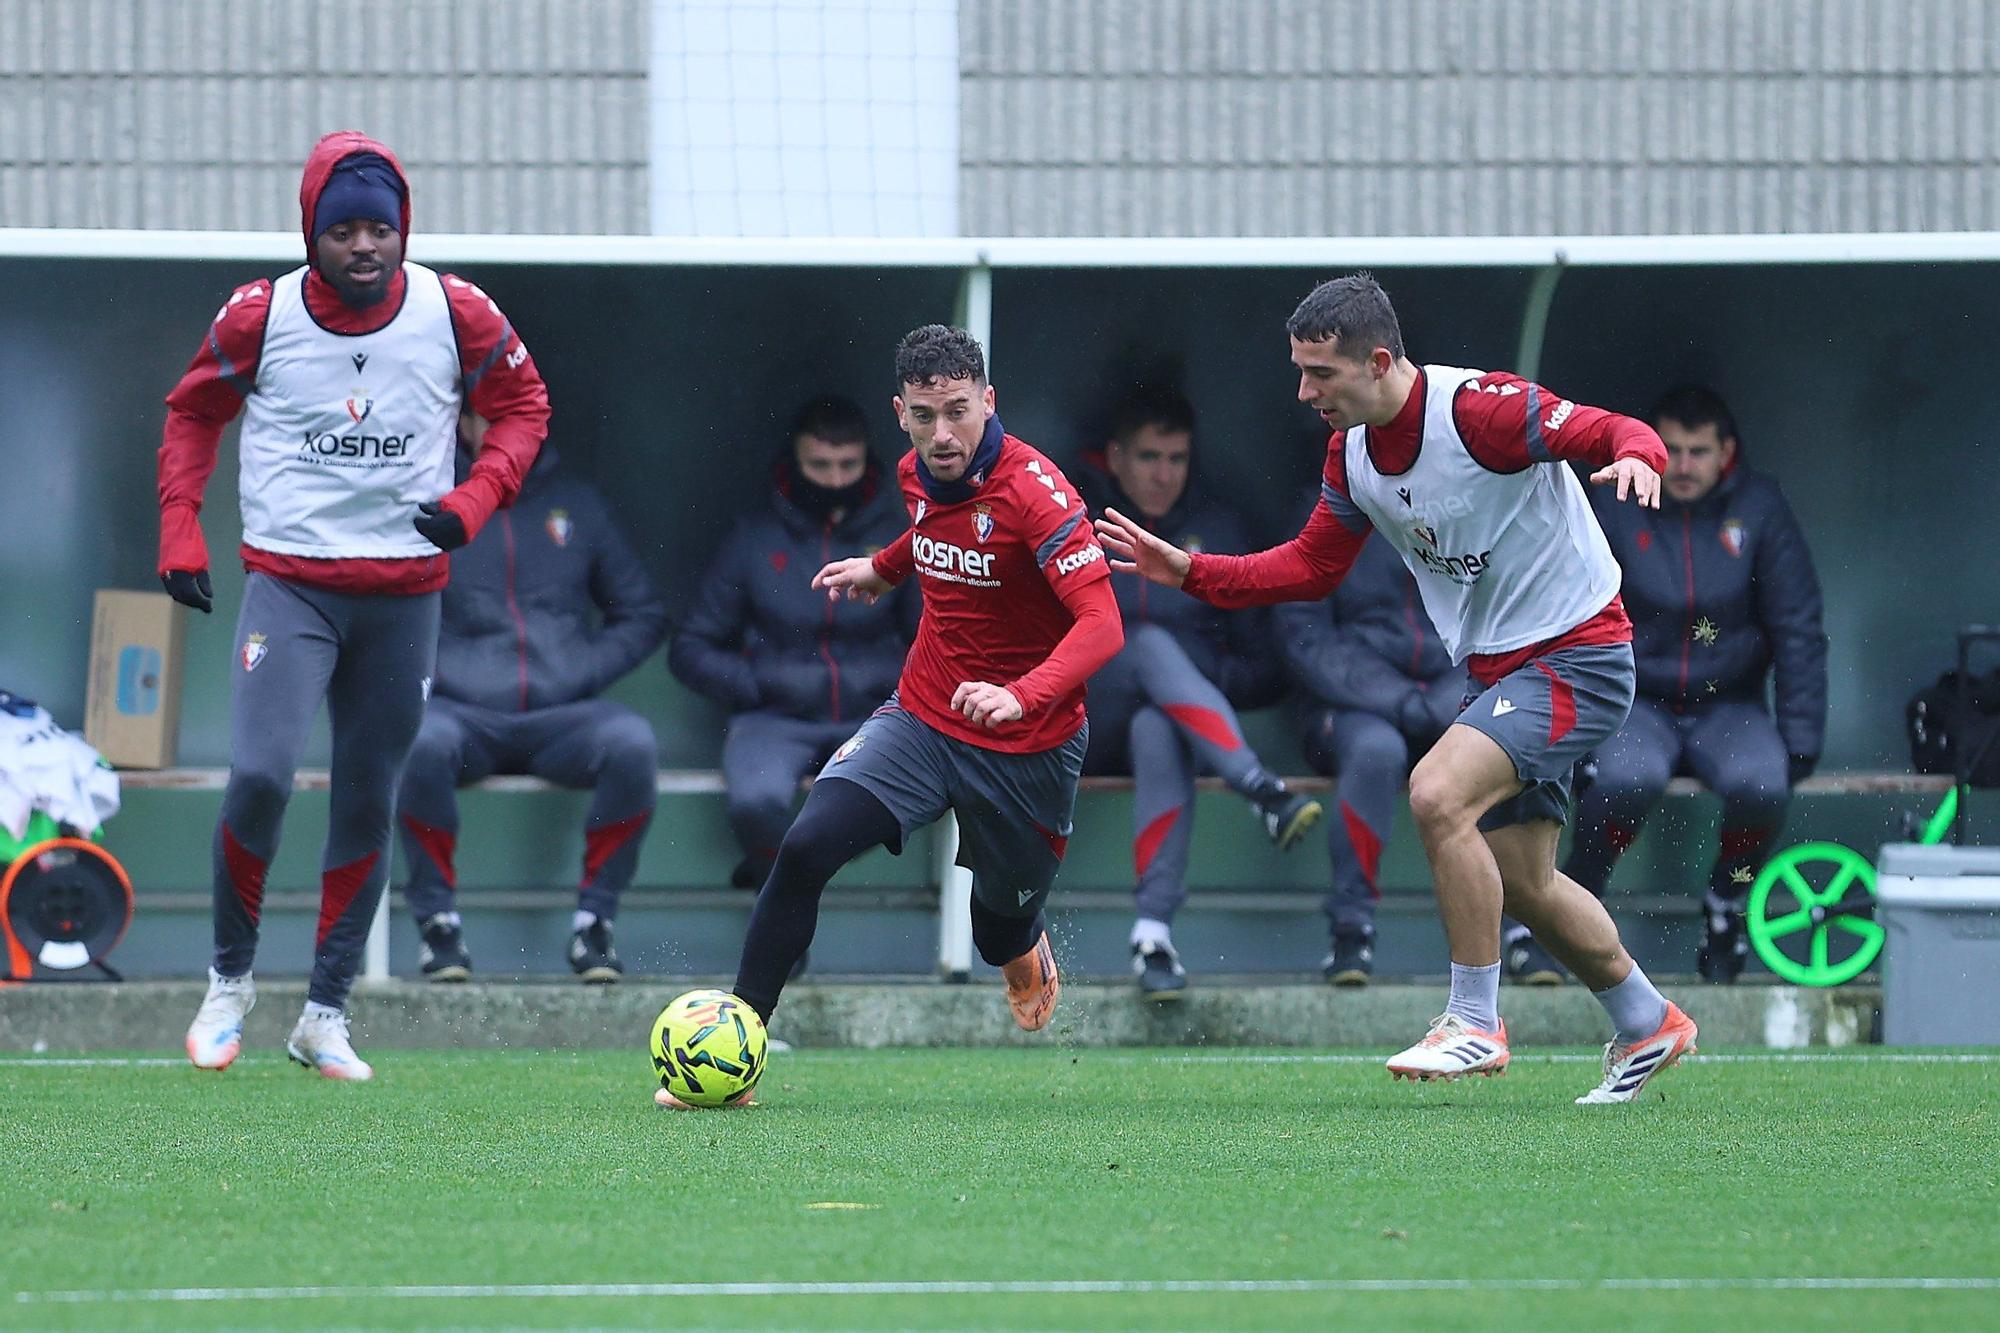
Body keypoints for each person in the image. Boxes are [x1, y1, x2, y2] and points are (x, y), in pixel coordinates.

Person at [1097, 273, 1697, 1105]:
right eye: (1300, 371)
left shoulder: (1480, 410)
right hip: (1501, 670)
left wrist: (1640, 456)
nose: (1305, 391)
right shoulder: (1349, 452)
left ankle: (1474, 1022)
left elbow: (1612, 430)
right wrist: (1190, 570)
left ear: (1379, 361)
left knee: (1436, 793)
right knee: (1525, 879)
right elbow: (1308, 567)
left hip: (1580, 656)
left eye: (1322, 374)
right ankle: (1646, 1018)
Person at [163, 132, 549, 1079]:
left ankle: (325, 1011)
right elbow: (192, 411)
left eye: (382, 228)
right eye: (345, 232)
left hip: (403, 595)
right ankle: (230, 981)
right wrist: (180, 522)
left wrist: (473, 499)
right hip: (292, 585)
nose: (366, 247)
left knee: (370, 797)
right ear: (311, 236)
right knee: (258, 775)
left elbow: (526, 406)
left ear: (404, 229)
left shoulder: (454, 309)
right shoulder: (263, 314)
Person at [659, 325, 1123, 1107]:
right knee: (804, 847)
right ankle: (736, 1057)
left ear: (989, 402)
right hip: (925, 717)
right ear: (900, 411)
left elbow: (1102, 624)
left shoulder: (1036, 493)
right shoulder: (916, 471)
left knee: (995, 933)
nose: (942, 434)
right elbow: (934, 532)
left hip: (1027, 746)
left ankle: (1021, 943)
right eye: (923, 415)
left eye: (958, 412)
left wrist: (1020, 694)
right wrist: (883, 567)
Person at [1556, 384, 1827, 983]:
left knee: (1763, 782)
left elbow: (1798, 624)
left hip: (1727, 703)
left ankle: (1727, 900)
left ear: (1726, 451)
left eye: (1697, 451)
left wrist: (1801, 736)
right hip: (1633, 700)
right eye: (1670, 449)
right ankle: (1575, 899)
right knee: (1625, 780)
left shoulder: (1758, 508)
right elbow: (1567, 611)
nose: (1681, 466)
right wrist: (1568, 721)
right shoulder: (1618, 499)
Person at [396, 418, 668, 984]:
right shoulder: (431, 500)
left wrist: (578, 670)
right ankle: (437, 923)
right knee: (418, 742)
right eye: (483, 413)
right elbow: (388, 613)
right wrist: (438, 673)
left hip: (561, 716)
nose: (497, 427)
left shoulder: (576, 503)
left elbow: (641, 612)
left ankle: (595, 922)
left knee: (632, 743)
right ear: (460, 418)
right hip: (462, 715)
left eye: (511, 414)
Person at [1072, 384, 1317, 1000]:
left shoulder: (1217, 526)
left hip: (1175, 725)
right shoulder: (1077, 523)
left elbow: (1262, 661)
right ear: (1117, 458)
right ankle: (1260, 789)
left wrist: (1199, 678)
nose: (1163, 475)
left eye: (1176, 459)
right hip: (1084, 716)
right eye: (1149, 458)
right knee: (1147, 643)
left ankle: (1152, 937)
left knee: (1160, 725)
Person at [668, 395, 916, 894]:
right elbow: (690, 647)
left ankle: (786, 889)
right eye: (819, 465)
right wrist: (758, 683)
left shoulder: (900, 533)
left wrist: (896, 688)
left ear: (867, 460)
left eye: (848, 464)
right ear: (794, 462)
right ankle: (782, 888)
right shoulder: (754, 537)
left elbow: (930, 636)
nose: (834, 479)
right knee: (754, 802)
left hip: (874, 715)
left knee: (907, 800)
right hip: (775, 717)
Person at [1275, 533, 1465, 985]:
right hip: (1351, 704)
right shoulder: (1326, 514)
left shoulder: (1456, 504)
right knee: (1378, 752)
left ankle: (1520, 930)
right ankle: (1351, 927)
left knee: (1498, 742)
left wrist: (1442, 702)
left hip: (1445, 698)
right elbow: (1305, 636)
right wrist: (1399, 699)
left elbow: (1498, 626)